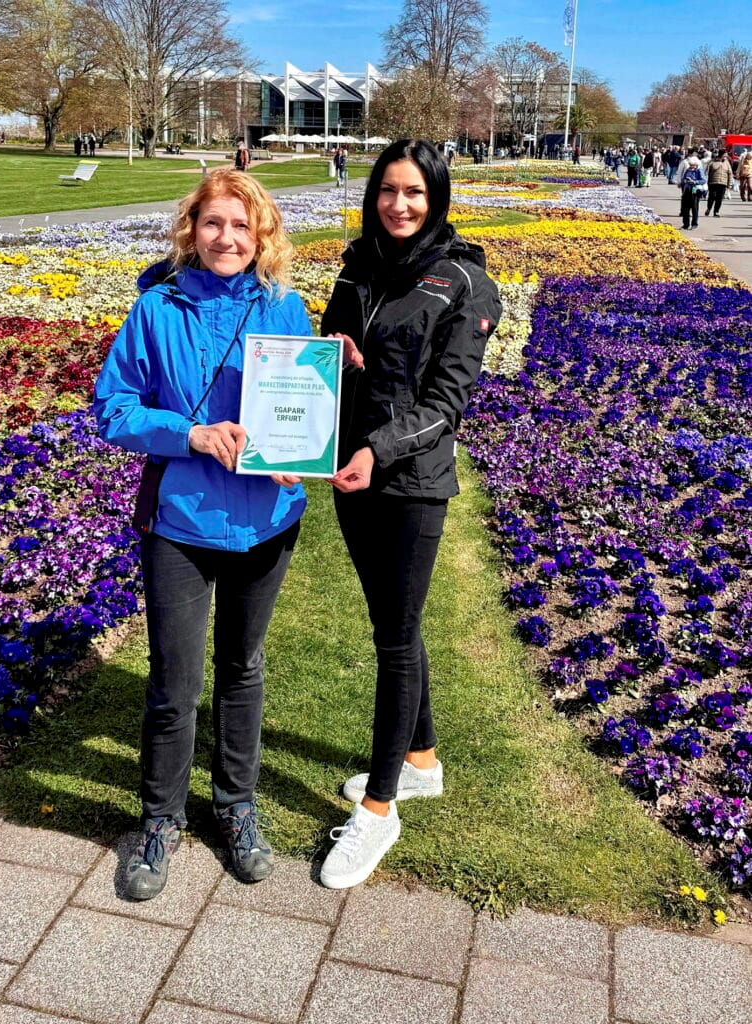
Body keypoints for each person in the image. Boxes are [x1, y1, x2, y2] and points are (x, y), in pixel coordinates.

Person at [93, 168, 312, 900]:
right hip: (180, 521)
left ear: (263, 237)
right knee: (175, 683)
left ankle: (236, 806)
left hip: (265, 522)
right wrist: (186, 433)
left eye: (242, 227)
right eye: (214, 223)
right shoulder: (156, 308)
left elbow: (302, 410)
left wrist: (296, 459)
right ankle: (160, 818)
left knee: (243, 670)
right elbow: (113, 410)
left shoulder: (286, 307)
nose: (228, 238)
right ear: (192, 229)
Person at [316, 140, 501, 889]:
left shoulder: (466, 283)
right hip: (350, 475)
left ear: (438, 199)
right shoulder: (359, 264)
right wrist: (335, 352)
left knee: (394, 641)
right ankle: (421, 762)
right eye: (389, 190)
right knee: (397, 623)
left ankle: (380, 813)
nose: (399, 204)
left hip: (411, 481)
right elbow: (334, 345)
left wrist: (379, 450)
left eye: (415, 193)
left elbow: (445, 405)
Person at [677, 150, 706, 230]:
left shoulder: (699, 171)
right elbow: (683, 178)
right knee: (685, 208)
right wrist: (683, 181)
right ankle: (685, 224)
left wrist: (695, 181)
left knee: (694, 207)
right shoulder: (688, 170)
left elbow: (703, 180)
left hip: (694, 189)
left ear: (696, 165)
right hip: (687, 189)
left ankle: (694, 224)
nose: (691, 166)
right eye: (690, 165)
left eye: (693, 165)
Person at [705, 149, 733, 216]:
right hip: (713, 182)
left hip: (723, 183)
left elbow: (730, 173)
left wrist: (729, 184)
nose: (726, 156)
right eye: (725, 155)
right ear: (721, 154)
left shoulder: (727, 163)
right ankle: (709, 208)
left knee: (719, 198)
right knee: (712, 196)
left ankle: (716, 211)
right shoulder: (712, 162)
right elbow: (706, 172)